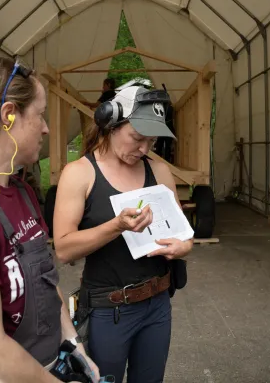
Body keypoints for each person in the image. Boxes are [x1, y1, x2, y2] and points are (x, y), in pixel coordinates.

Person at [0, 57, 99, 382]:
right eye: (38, 114)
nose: (46, 128)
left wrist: (75, 346)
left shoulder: (22, 191)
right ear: (9, 115)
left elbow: (45, 283)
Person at [53, 86, 193, 382]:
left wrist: (183, 247)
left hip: (157, 306)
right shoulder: (79, 173)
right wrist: (116, 226)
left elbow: (184, 234)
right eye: (137, 138)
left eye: (152, 141)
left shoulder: (160, 171)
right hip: (109, 309)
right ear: (111, 124)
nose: (144, 149)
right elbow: (64, 249)